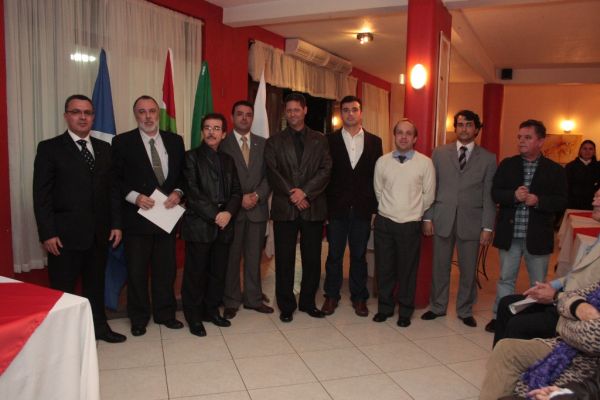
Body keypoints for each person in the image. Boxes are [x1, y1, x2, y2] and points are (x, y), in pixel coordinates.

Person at [33, 94, 125, 343]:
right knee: (63, 290)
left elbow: (113, 191)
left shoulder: (105, 149)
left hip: (99, 234)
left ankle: (99, 328)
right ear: (66, 116)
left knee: (95, 286)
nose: (82, 117)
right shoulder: (49, 148)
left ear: (93, 117)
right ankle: (64, 339)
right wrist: (47, 233)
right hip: (64, 237)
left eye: (87, 112)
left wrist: (116, 224)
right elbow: (41, 195)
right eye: (76, 112)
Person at [111, 95, 185, 336]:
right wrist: (134, 197)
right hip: (137, 218)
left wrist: (178, 192)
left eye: (152, 111)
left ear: (158, 114)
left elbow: (183, 175)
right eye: (142, 112)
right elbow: (114, 180)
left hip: (166, 218)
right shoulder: (122, 142)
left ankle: (165, 314)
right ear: (135, 115)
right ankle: (139, 317)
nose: (148, 116)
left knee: (166, 270)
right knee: (137, 272)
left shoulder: (175, 141)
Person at [485, 119, 568, 333]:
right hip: (510, 234)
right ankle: (500, 317)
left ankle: (535, 320)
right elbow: (495, 193)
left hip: (538, 236)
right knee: (506, 279)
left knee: (538, 283)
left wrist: (538, 201)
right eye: (519, 137)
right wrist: (513, 196)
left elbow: (561, 201)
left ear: (540, 141)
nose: (521, 141)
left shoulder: (554, 170)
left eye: (527, 137)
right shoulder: (508, 164)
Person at [493, 189, 600, 346]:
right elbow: (576, 275)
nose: (593, 202)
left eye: (599, 198)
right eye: (595, 196)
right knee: (506, 304)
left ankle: (514, 357)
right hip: (563, 297)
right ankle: (500, 358)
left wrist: (556, 295)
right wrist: (552, 285)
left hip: (575, 309)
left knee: (518, 325)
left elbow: (591, 290)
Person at [421, 110, 497, 327]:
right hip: (442, 218)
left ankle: (465, 310)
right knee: (440, 267)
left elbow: (489, 196)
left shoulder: (489, 158)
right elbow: (431, 188)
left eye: (469, 125)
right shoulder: (439, 153)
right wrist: (427, 217)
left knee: (468, 269)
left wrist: (487, 227)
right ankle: (437, 306)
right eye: (461, 124)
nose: (464, 129)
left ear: (477, 129)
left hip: (471, 221)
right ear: (455, 128)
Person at [264, 92, 332, 323]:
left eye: (296, 109)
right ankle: (286, 305)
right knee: (284, 259)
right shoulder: (274, 141)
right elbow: (272, 171)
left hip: (313, 206)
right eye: (289, 110)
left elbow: (326, 170)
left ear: (305, 110)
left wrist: (306, 192)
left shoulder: (320, 139)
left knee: (312, 259)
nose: (292, 114)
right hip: (285, 207)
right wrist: (294, 194)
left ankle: (308, 302)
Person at [480, 280, 600, 400]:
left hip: (587, 363)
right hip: (566, 347)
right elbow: (568, 296)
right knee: (506, 348)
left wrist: (565, 320)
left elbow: (593, 340)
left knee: (518, 324)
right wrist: (577, 306)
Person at [321, 95, 383, 317]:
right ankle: (331, 296)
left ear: (361, 113)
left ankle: (359, 297)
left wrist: (375, 209)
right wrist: (325, 209)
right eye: (346, 110)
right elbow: (324, 175)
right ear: (341, 114)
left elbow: (377, 177)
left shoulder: (375, 141)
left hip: (363, 208)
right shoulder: (329, 140)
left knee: (358, 255)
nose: (350, 113)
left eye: (354, 109)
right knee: (334, 255)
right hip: (336, 208)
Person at [180, 113, 241, 336]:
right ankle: (194, 317)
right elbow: (193, 194)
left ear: (224, 134)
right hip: (200, 225)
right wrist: (217, 215)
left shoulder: (228, 160)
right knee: (195, 274)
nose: (211, 132)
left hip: (224, 225)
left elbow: (237, 192)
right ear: (201, 132)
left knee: (218, 273)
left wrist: (228, 213)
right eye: (207, 128)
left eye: (216, 128)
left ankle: (211, 311)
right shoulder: (191, 157)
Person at [372, 119, 435, 327]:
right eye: (400, 132)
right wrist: (389, 209)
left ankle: (405, 311)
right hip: (385, 222)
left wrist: (413, 211)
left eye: (408, 133)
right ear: (394, 136)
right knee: (385, 268)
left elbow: (429, 195)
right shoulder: (382, 162)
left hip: (410, 223)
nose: (404, 137)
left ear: (415, 138)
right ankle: (385, 308)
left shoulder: (425, 163)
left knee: (407, 270)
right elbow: (378, 191)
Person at [220, 101, 272, 319]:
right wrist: (238, 199)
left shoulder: (264, 143)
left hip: (257, 209)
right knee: (232, 258)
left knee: (253, 257)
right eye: (240, 114)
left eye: (248, 114)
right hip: (233, 211)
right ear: (232, 117)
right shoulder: (223, 143)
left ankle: (253, 299)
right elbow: (220, 177)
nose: (244, 118)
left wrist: (257, 195)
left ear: (252, 118)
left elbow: (270, 175)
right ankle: (231, 300)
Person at [565, 140, 600, 210]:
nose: (587, 151)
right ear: (580, 150)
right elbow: (566, 187)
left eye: (590, 149)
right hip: (573, 205)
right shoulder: (570, 166)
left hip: (593, 206)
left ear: (594, 151)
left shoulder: (598, 167)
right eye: (585, 148)